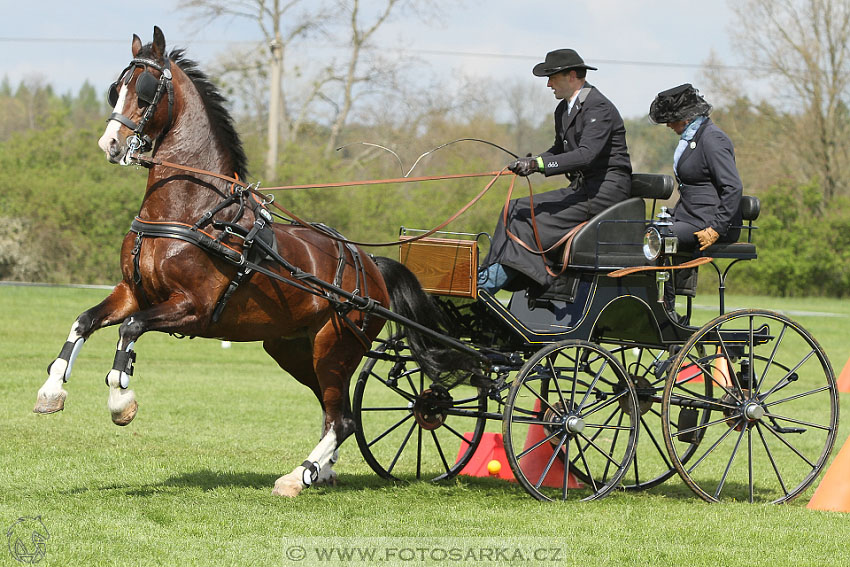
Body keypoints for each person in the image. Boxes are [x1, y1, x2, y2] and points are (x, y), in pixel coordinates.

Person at [479, 49, 632, 295]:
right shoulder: (563, 110)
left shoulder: (598, 107)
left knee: (529, 220)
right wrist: (531, 162)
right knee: (513, 208)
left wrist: (538, 165)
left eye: (552, 77)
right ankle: (489, 272)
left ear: (572, 76)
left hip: (606, 193)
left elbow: (585, 155)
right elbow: (558, 150)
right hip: (582, 190)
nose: (548, 84)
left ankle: (502, 282)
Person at [647, 83, 743, 312]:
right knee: (644, 230)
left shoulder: (712, 139)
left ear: (686, 117)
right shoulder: (694, 137)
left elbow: (733, 187)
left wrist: (716, 228)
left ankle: (666, 311)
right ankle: (655, 304)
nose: (669, 125)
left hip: (709, 221)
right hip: (690, 215)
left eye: (671, 119)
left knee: (657, 238)